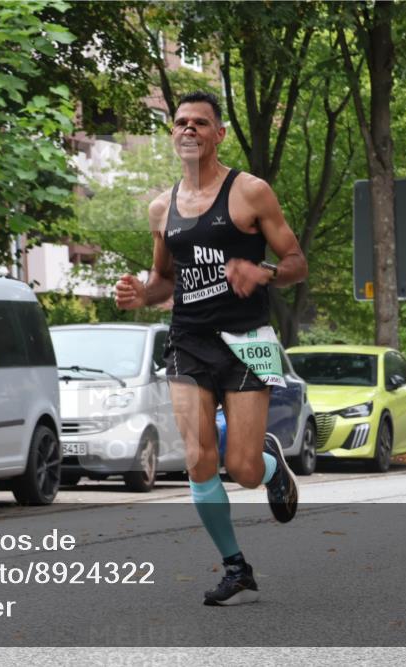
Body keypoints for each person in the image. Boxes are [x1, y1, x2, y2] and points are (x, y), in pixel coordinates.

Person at [115, 91, 308, 606]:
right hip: (189, 342)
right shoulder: (163, 207)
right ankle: (235, 565)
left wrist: (261, 270)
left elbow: (296, 262)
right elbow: (162, 282)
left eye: (201, 122)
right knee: (200, 459)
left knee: (242, 470)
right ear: (173, 134)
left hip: (249, 342)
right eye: (181, 123)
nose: (189, 129)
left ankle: (270, 466)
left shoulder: (250, 192)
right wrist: (140, 296)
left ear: (219, 133)